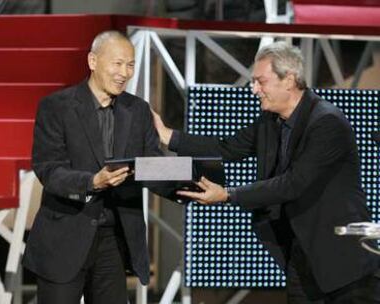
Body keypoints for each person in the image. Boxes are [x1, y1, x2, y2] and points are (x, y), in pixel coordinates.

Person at [152, 41, 380, 303]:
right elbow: (226, 148)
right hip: (301, 258)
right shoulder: (269, 123)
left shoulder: (328, 123)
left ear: (289, 80)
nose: (254, 89)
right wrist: (168, 137)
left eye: (261, 81)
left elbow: (293, 184)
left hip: (345, 265)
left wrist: (227, 195)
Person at [23, 31, 166, 304]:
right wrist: (92, 182)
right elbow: (49, 169)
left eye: (131, 65)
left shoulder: (138, 111)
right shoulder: (57, 107)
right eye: (117, 63)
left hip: (114, 240)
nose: (125, 72)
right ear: (92, 61)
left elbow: (153, 165)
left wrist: (188, 184)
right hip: (64, 238)